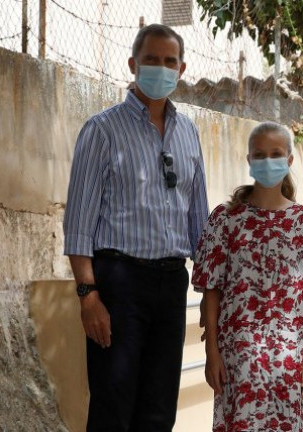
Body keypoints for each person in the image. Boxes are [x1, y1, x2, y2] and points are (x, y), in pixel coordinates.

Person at [62, 24, 208, 431]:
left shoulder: (189, 133)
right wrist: (88, 295)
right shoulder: (102, 129)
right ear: (133, 64)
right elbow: (78, 221)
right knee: (113, 404)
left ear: (181, 69)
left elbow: (200, 220)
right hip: (118, 283)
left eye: (169, 62)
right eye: (151, 60)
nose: (160, 69)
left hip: (171, 282)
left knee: (159, 408)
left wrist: (215, 291)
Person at [191, 121, 303, 432]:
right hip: (237, 359)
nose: (268, 161)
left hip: (288, 361)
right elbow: (211, 290)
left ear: (290, 161)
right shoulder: (225, 220)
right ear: (249, 160)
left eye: (276, 154)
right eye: (260, 154)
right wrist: (212, 352)